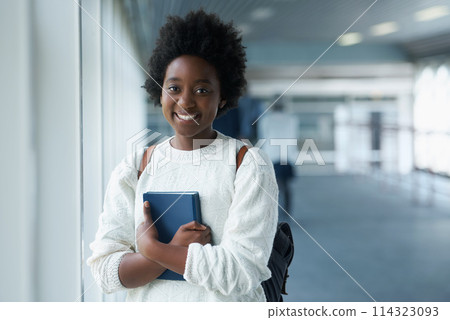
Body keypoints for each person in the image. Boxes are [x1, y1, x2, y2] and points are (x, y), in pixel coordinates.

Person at [87, 10, 278, 302]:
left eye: (202, 89)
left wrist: (153, 250)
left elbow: (242, 272)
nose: (185, 101)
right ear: (160, 92)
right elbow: (105, 272)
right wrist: (172, 250)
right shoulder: (136, 167)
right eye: (174, 88)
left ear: (222, 96)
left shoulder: (247, 164)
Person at [257, 98, 298, 215]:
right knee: (286, 185)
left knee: (273, 184)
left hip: (271, 154)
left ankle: (274, 211)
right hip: (287, 155)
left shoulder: (265, 120)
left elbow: (262, 138)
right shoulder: (292, 119)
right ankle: (287, 211)